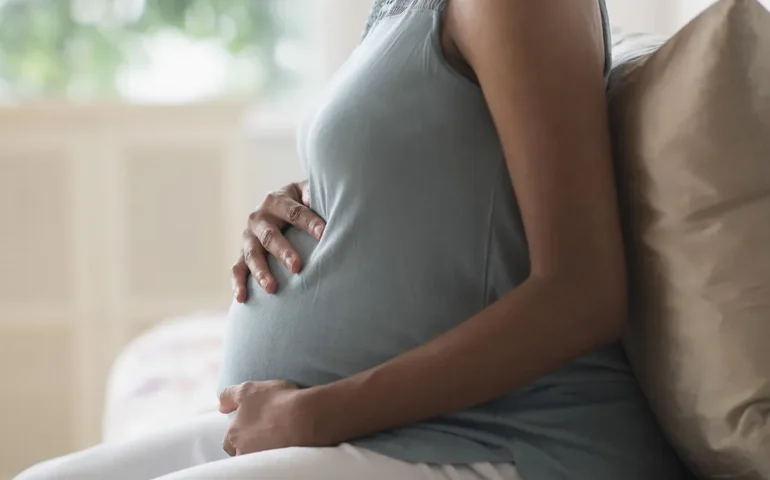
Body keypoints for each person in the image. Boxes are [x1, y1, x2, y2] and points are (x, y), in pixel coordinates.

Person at [16, 1, 687, 479]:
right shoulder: (398, 11)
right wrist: (311, 200)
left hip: (511, 440)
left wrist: (317, 415)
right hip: (390, 429)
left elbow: (583, 291)